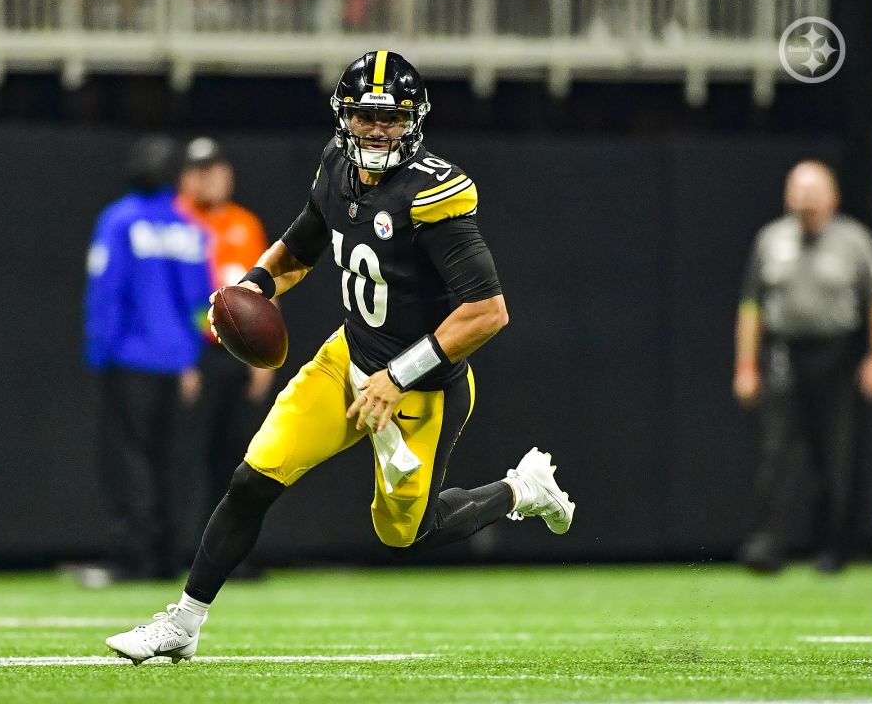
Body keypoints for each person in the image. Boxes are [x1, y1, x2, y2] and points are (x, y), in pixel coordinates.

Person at [105, 51, 577, 663]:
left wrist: (397, 376)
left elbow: (487, 311)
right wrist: (255, 284)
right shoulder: (336, 168)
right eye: (365, 116)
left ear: (414, 121)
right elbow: (302, 244)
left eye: (391, 118)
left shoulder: (432, 194)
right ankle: (183, 624)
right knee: (254, 478)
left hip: (421, 388)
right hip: (346, 360)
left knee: (408, 533)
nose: (376, 130)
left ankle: (521, 489)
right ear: (344, 118)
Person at [734, 160, 872, 574]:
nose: (805, 199)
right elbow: (751, 306)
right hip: (784, 352)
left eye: (814, 191)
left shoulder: (854, 241)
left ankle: (833, 547)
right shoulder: (771, 240)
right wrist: (746, 363)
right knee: (776, 451)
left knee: (834, 454)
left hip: (836, 354)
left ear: (833, 197)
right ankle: (766, 545)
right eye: (798, 190)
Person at [82, 134, 212, 583]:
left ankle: (133, 558)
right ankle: (167, 558)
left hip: (130, 361)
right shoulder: (188, 229)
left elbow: (106, 293)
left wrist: (101, 353)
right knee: (171, 462)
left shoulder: (119, 221)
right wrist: (192, 359)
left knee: (128, 460)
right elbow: (201, 304)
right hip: (179, 365)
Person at [175, 137, 275, 573]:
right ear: (185, 176)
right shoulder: (175, 220)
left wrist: (265, 356)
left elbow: (267, 289)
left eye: (215, 167)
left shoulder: (244, 223)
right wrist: (182, 356)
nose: (209, 176)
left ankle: (232, 554)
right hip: (196, 352)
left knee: (240, 457)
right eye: (200, 169)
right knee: (189, 454)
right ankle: (185, 549)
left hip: (238, 354)